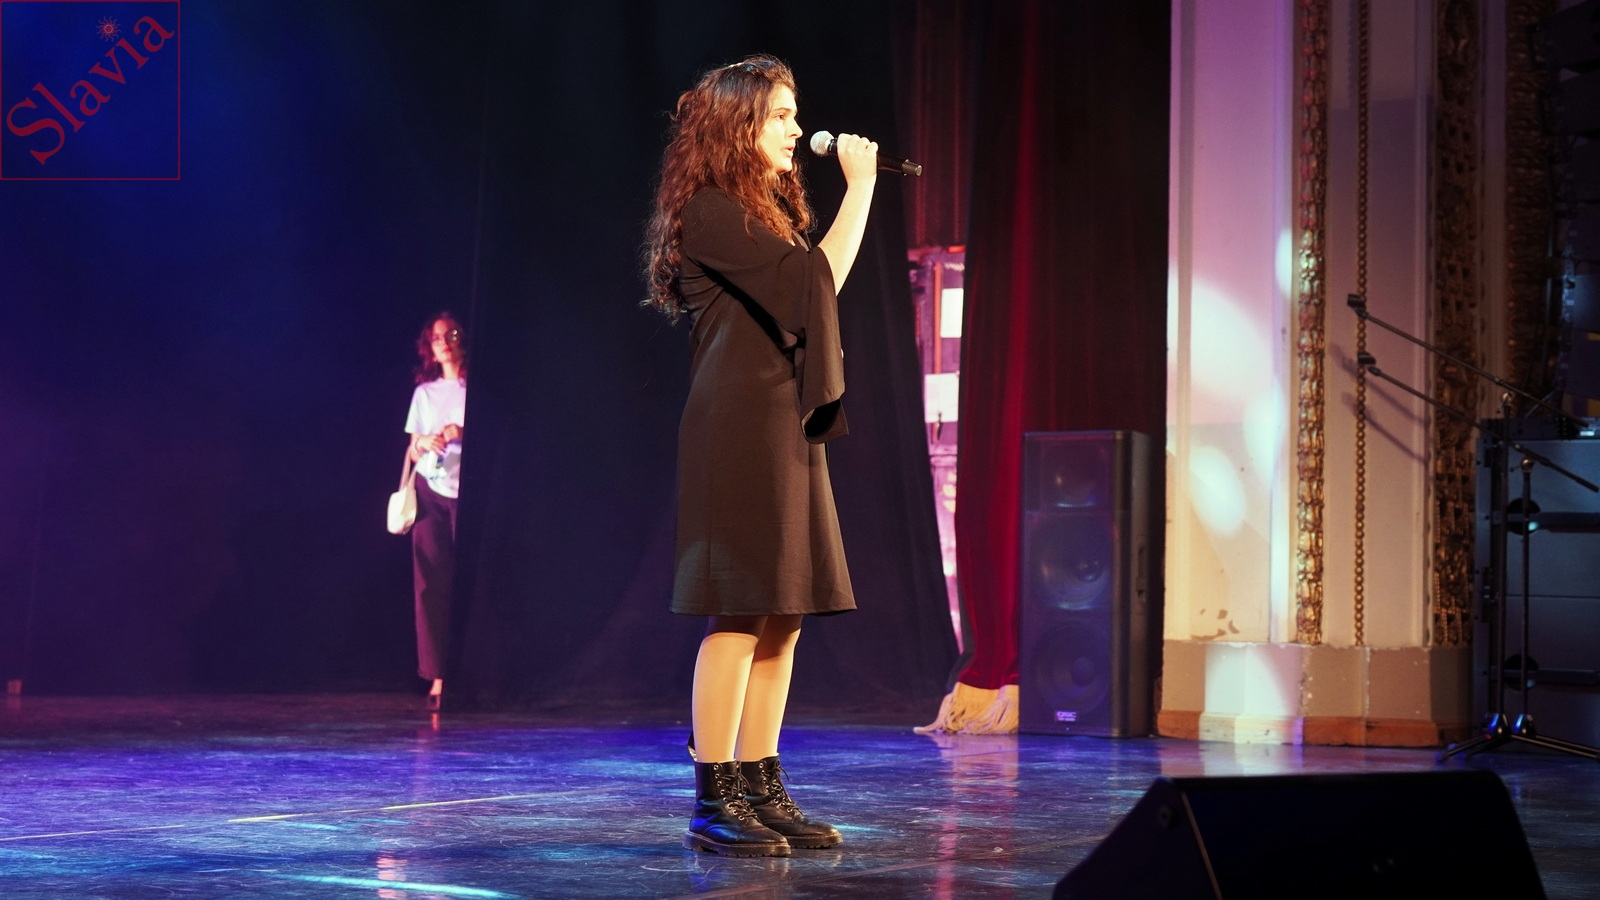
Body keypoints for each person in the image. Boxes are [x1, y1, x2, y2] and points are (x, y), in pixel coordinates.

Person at [642, 55, 880, 857]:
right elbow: (818, 284)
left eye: (793, 113)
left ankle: (760, 783)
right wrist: (861, 189)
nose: (794, 129)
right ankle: (715, 796)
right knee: (741, 609)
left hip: (784, 422)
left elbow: (811, 294)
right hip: (737, 427)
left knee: (785, 611)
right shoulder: (711, 210)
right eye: (780, 115)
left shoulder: (764, 213)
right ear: (738, 124)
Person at [403, 313, 466, 712]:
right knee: (429, 585)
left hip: (466, 493)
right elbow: (411, 450)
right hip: (430, 493)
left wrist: (462, 432)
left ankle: (467, 670)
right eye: (437, 337)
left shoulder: (472, 391)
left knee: (466, 584)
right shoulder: (424, 393)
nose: (443, 342)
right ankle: (437, 675)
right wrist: (423, 442)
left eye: (451, 335)